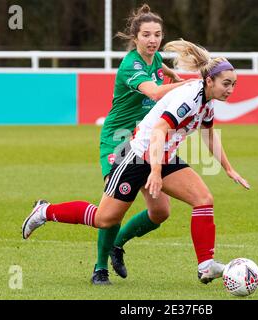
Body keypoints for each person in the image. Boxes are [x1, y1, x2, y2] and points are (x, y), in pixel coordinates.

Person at [22, 38, 251, 285]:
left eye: (234, 84)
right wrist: (153, 171)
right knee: (104, 219)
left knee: (198, 201)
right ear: (209, 81)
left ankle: (206, 265)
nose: (230, 89)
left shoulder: (207, 103)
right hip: (137, 156)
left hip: (164, 156)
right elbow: (158, 130)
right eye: (226, 83)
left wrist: (229, 169)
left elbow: (207, 133)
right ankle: (45, 211)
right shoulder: (189, 98)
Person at [26, 4, 192, 285]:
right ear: (135, 38)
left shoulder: (154, 58)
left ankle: (118, 245)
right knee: (112, 213)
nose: (152, 40)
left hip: (144, 139)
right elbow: (152, 90)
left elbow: (157, 67)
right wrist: (187, 84)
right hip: (119, 141)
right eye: (147, 35)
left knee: (160, 211)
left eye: (157, 35)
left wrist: (171, 74)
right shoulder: (130, 64)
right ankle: (95, 264)